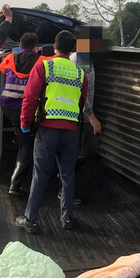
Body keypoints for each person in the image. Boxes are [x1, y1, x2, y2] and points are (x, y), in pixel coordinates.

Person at [15, 30, 88, 233]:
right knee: (67, 175)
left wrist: (25, 123)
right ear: (72, 49)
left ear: (54, 47)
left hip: (48, 129)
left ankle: (30, 219)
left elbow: (30, 98)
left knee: (41, 174)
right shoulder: (80, 73)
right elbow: (81, 102)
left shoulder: (44, 66)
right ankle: (67, 218)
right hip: (71, 130)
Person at [56, 52, 102, 204]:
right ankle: (64, 190)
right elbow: (79, 93)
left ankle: (64, 177)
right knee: (77, 152)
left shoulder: (89, 58)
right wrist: (92, 117)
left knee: (89, 149)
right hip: (79, 115)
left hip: (84, 115)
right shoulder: (80, 59)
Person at [0, 32, 40, 196]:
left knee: (24, 139)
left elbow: (1, 68)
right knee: (28, 146)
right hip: (25, 109)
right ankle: (15, 184)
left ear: (20, 46)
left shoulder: (10, 59)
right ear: (36, 48)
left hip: (7, 106)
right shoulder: (40, 61)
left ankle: (15, 176)